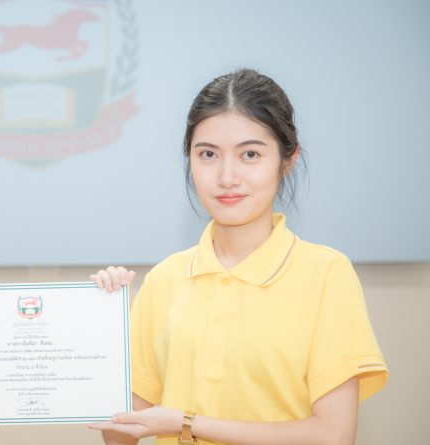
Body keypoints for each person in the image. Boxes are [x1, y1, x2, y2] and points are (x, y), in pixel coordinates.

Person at [89, 69, 387, 444]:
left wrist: (187, 423)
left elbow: (334, 436)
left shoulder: (327, 273)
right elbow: (119, 436)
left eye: (250, 154)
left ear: (287, 160)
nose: (227, 177)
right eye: (208, 154)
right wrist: (103, 330)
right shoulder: (165, 278)